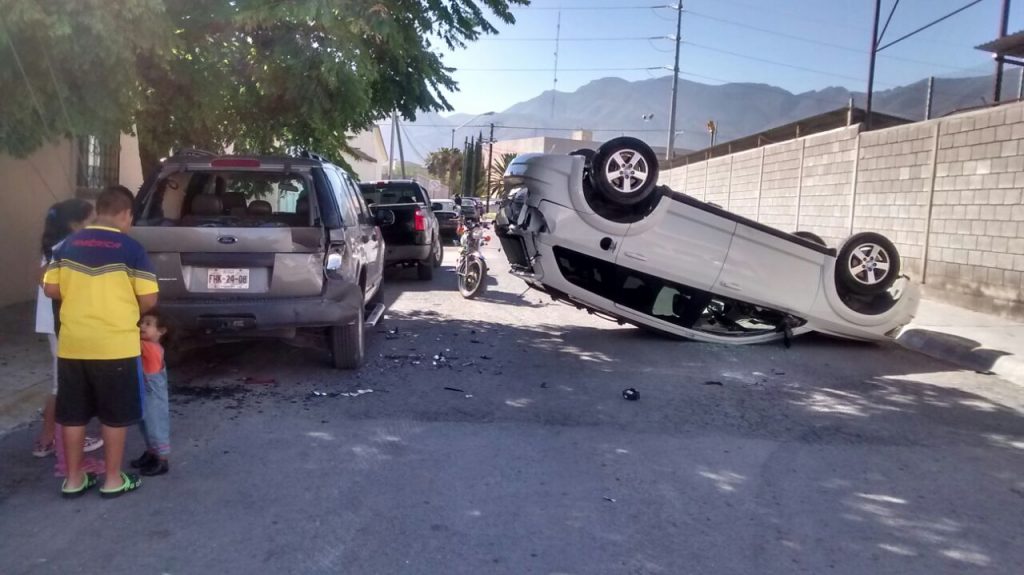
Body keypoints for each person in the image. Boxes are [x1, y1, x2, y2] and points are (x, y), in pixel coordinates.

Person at [43, 185, 159, 498]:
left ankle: (74, 479)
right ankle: (111, 480)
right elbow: (148, 298)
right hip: (114, 346)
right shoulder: (131, 248)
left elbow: (50, 289)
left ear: (99, 211)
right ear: (125, 214)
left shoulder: (67, 245)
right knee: (114, 415)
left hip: (73, 344)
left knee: (74, 414)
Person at [31, 199, 105, 460]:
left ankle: (48, 438)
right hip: (63, 321)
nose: (95, 225)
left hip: (55, 322)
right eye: (91, 220)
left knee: (59, 381)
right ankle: (62, 437)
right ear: (76, 224)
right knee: (67, 383)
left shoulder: (55, 246)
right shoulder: (70, 248)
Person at [131, 310, 171, 476]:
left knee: (155, 425)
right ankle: (151, 453)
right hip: (145, 390)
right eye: (141, 323)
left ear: (161, 331)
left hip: (153, 394)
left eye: (148, 324)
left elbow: (128, 341)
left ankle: (162, 459)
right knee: (145, 424)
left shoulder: (149, 347)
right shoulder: (149, 345)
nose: (142, 326)